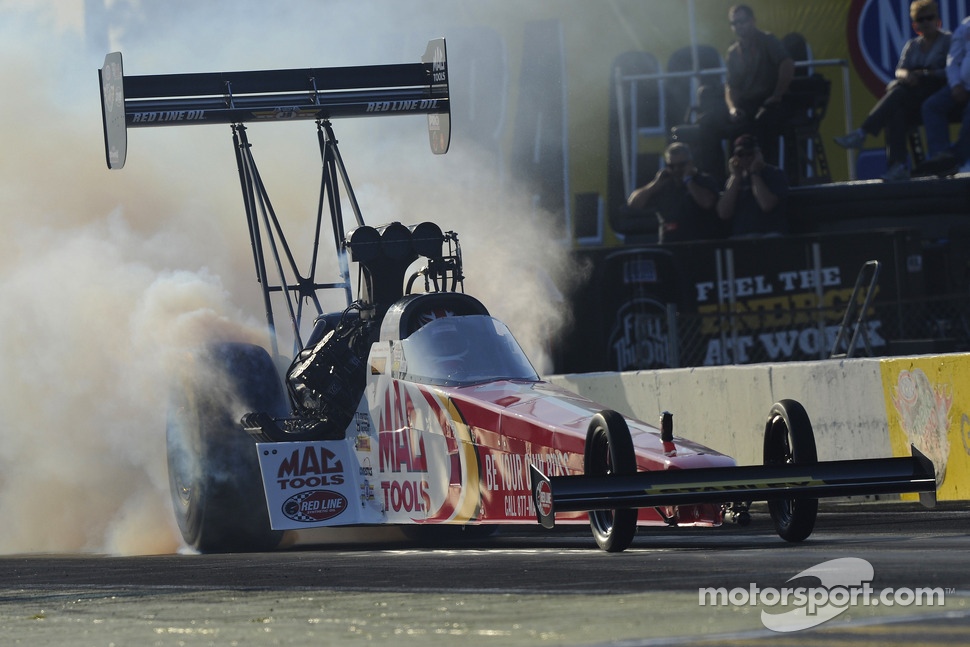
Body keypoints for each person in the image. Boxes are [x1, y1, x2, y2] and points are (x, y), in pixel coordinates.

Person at [834, 1, 950, 182]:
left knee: (897, 95)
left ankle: (862, 133)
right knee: (895, 109)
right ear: (915, 25)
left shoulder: (947, 41)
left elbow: (951, 70)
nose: (926, 22)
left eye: (930, 18)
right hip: (914, 94)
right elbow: (900, 70)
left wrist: (926, 73)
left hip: (937, 92)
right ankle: (898, 166)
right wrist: (907, 76)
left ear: (938, 20)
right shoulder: (913, 45)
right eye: (921, 19)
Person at [722, 4, 795, 167]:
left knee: (763, 125)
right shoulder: (733, 52)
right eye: (734, 23)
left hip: (771, 101)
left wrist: (777, 95)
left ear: (753, 21)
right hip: (747, 104)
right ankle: (734, 177)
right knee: (727, 126)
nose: (739, 26)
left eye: (742, 21)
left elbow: (787, 64)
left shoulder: (768, 41)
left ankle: (767, 174)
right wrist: (732, 108)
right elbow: (730, 86)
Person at [626, 142, 723, 243]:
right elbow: (633, 204)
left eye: (681, 165)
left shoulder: (704, 180)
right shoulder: (663, 185)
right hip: (670, 247)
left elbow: (707, 203)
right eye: (672, 166)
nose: (676, 170)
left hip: (700, 245)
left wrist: (688, 180)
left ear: (690, 163)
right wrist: (655, 185)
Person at [918, 13, 970, 176]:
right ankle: (941, 156)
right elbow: (953, 60)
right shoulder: (965, 26)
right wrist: (955, 85)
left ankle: (959, 160)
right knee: (932, 106)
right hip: (963, 85)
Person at [716, 134, 790, 237]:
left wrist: (755, 173)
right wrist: (736, 177)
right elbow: (723, 213)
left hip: (769, 234)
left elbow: (766, 205)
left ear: (758, 154)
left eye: (749, 154)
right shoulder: (733, 180)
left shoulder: (775, 174)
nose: (745, 158)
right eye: (741, 154)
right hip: (742, 237)